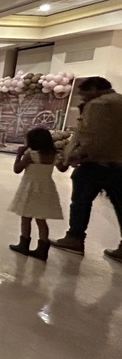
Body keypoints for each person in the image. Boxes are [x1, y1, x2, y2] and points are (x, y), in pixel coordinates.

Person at [51, 77, 122, 260]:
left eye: (83, 94)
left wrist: (73, 155)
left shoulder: (98, 105)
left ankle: (74, 238)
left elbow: (91, 135)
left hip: (95, 163)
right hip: (119, 164)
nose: (82, 99)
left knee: (80, 202)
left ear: (94, 89)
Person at [8, 128, 67, 261]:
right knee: (41, 219)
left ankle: (23, 244)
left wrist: (18, 155)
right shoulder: (54, 155)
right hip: (46, 188)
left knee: (26, 217)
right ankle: (42, 249)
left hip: (30, 188)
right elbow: (63, 168)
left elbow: (17, 169)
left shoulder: (31, 155)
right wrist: (67, 158)